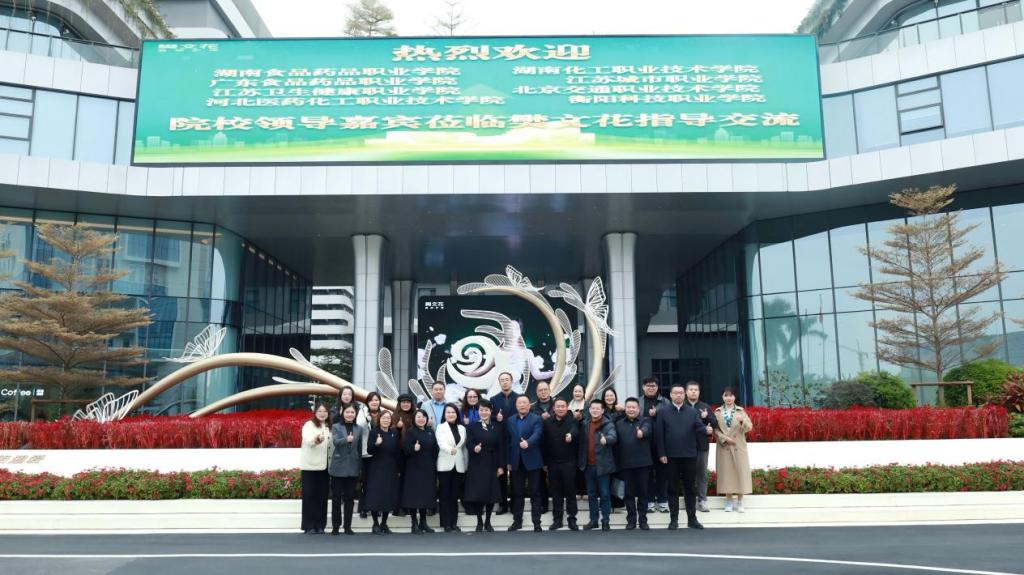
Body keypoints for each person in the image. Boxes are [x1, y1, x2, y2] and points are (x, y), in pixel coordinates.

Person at [655, 383, 711, 530]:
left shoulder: (692, 412)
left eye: (681, 393)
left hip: (689, 455)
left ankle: (692, 519)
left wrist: (706, 429)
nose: (678, 395)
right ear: (671, 395)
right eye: (676, 393)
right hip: (670, 456)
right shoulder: (663, 411)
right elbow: (659, 434)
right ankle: (673, 520)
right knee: (672, 488)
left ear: (684, 395)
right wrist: (661, 453)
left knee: (690, 488)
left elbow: (698, 426)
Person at [464, 399, 504, 532]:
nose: (484, 412)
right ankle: (479, 521)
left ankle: (488, 521)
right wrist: (474, 448)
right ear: (478, 411)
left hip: (492, 462)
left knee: (491, 494)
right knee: (478, 494)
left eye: (486, 410)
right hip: (477, 462)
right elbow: (468, 443)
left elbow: (500, 447)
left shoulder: (497, 426)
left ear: (490, 411)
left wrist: (500, 466)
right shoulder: (472, 426)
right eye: (481, 410)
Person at [506, 395, 543, 532]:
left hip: (533, 460)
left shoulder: (536, 419)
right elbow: (508, 441)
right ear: (516, 406)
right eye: (519, 403)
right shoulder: (510, 420)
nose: (522, 405)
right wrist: (508, 461)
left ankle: (537, 523)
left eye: (524, 402)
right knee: (517, 493)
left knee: (535, 492)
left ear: (529, 405)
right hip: (516, 461)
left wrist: (528, 442)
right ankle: (517, 521)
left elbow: (538, 434)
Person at [578, 399, 617, 531]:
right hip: (588, 466)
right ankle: (593, 520)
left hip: (603, 466)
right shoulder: (585, 424)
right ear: (589, 410)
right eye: (592, 408)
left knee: (605, 494)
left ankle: (605, 521)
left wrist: (606, 440)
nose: (595, 410)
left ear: (602, 410)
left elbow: (613, 436)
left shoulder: (608, 424)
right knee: (591, 494)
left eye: (597, 408)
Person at [614, 398, 653, 530]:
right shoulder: (619, 424)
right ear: (625, 409)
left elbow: (647, 430)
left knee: (643, 493)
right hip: (625, 464)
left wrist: (642, 433)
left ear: (638, 409)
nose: (631, 409)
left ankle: (643, 520)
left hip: (643, 464)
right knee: (628, 494)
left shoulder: (645, 421)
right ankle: (631, 520)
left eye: (633, 407)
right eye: (629, 407)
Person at [714, 387, 754, 513]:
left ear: (735, 397)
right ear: (722, 397)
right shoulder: (718, 412)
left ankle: (740, 501)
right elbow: (715, 430)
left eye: (731, 395)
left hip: (738, 447)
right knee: (727, 474)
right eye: (726, 395)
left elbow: (749, 427)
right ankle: (729, 501)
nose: (728, 398)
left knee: (740, 472)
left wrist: (742, 421)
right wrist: (724, 438)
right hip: (725, 446)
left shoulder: (741, 411)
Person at [542, 397, 579, 531]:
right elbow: (543, 443)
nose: (560, 409)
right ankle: (557, 520)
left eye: (563, 406)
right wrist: (545, 463)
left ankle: (572, 519)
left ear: (567, 407)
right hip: (552, 464)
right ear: (554, 408)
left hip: (569, 463)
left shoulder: (572, 421)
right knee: (556, 493)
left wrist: (571, 435)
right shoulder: (547, 423)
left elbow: (575, 431)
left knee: (570, 493)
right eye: (558, 406)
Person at [401, 409, 438, 534]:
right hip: (414, 469)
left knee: (425, 496)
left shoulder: (430, 431)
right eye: (418, 417)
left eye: (423, 417)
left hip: (428, 468)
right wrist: (413, 448)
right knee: (414, 496)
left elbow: (435, 449)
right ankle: (414, 523)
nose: (421, 419)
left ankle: (423, 522)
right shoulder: (411, 432)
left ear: (427, 419)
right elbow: (405, 450)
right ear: (414, 419)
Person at [365, 410, 401, 534]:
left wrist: (399, 469)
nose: (386, 420)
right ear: (379, 419)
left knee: (388, 495)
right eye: (384, 418)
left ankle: (384, 523)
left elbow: (397, 451)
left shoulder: (394, 432)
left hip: (391, 467)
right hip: (377, 467)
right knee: (375, 495)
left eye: (388, 418)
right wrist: (376, 444)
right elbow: (369, 450)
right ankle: (375, 524)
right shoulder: (374, 432)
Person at [685, 381, 718, 513]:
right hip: (685, 446)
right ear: (686, 392)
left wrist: (707, 416)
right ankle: (690, 500)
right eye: (691, 389)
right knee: (688, 474)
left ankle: (702, 500)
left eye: (696, 390)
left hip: (702, 445)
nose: (693, 392)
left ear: (699, 392)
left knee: (701, 474)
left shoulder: (705, 406)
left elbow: (715, 423)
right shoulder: (682, 406)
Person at [329, 404, 363, 535]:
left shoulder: (359, 429)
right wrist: (346, 439)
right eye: (347, 412)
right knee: (336, 498)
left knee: (349, 498)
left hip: (353, 467)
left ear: (355, 414)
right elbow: (336, 442)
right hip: (338, 466)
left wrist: (359, 467)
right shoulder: (336, 426)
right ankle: (335, 526)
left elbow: (359, 449)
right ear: (343, 413)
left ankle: (347, 526)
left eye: (352, 412)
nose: (350, 414)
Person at [489, 371, 519, 515]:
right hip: (500, 440)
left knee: (515, 474)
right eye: (502, 380)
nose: (505, 382)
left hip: (515, 438)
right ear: (499, 382)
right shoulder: (493, 399)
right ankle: (502, 504)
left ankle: (514, 503)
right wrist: (496, 417)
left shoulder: (519, 398)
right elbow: (488, 415)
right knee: (501, 472)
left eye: (507, 379)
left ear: (511, 381)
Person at [299, 402, 331, 534]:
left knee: (322, 497)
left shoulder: (329, 426)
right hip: (310, 466)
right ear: (315, 412)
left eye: (325, 411)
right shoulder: (309, 425)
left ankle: (320, 525)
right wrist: (317, 439)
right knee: (309, 496)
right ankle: (309, 526)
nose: (322, 413)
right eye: (320, 411)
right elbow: (308, 440)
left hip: (324, 467)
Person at [436, 403, 467, 532]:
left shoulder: (462, 428)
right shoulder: (440, 427)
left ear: (457, 414)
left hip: (459, 465)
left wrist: (465, 464)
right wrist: (450, 450)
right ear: (444, 414)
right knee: (444, 495)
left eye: (453, 412)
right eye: (448, 412)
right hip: (445, 464)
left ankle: (453, 523)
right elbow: (441, 443)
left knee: (454, 495)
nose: (451, 414)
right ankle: (446, 523)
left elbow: (463, 447)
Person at [641, 376, 670, 514]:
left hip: (661, 443)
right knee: (647, 474)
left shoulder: (665, 402)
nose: (651, 388)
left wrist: (657, 412)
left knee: (662, 474)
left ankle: (663, 501)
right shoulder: (638, 401)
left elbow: (669, 419)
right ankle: (650, 501)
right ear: (643, 387)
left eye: (653, 386)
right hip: (643, 443)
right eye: (648, 385)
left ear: (657, 387)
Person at [356, 391, 383, 519]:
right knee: (365, 482)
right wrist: (366, 420)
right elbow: (358, 428)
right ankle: (364, 508)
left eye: (376, 400)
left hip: (380, 453)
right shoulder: (362, 412)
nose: (374, 402)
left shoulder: (383, 413)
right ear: (367, 402)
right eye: (372, 400)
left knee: (378, 482)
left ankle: (377, 507)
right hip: (366, 453)